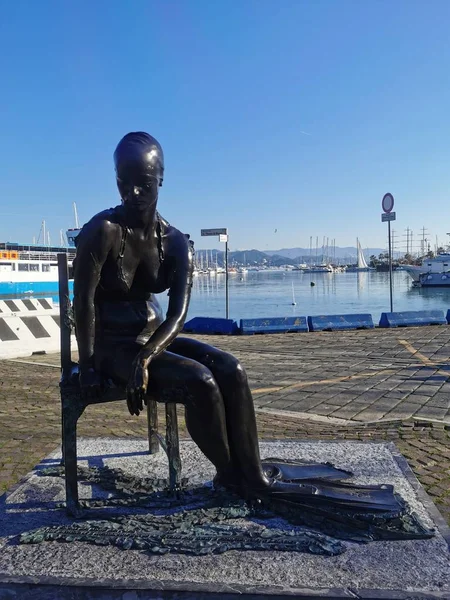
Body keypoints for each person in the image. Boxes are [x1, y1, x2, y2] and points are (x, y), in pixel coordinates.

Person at [73, 131, 272, 497]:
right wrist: (86, 368)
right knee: (201, 382)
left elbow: (177, 314)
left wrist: (146, 358)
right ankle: (229, 475)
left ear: (160, 180)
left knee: (232, 369)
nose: (133, 194)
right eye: (124, 184)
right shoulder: (102, 232)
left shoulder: (176, 242)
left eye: (144, 185)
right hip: (111, 347)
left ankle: (252, 471)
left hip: (153, 340)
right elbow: (82, 303)